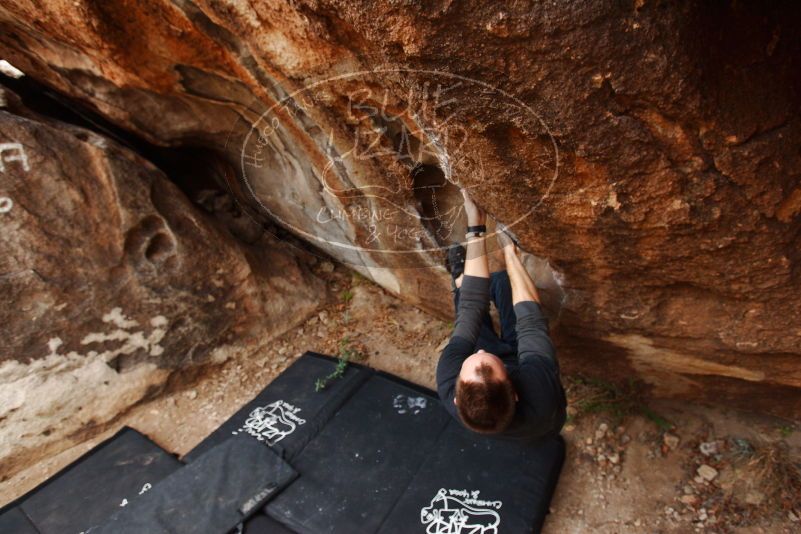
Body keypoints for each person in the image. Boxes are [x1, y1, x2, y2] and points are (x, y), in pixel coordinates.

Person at [436, 190, 567, 442]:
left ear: (456, 396)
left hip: (508, 387)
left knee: (469, 313)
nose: (481, 354)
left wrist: (476, 225)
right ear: (516, 393)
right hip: (544, 422)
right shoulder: (539, 390)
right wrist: (510, 254)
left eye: (471, 361)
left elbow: (471, 308)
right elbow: (530, 322)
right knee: (506, 282)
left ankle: (460, 281)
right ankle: (467, 282)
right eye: (489, 360)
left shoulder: (448, 378)